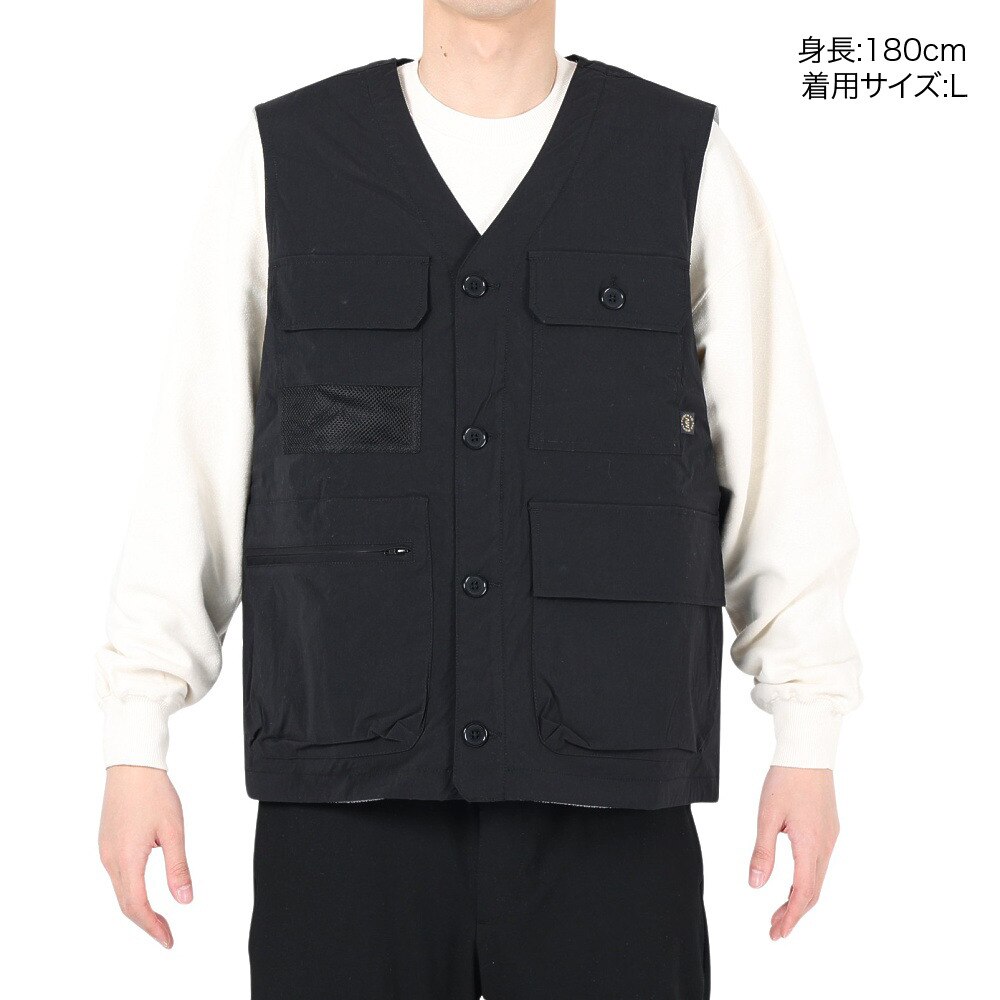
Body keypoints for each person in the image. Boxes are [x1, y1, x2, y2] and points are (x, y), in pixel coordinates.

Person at [96, 1, 861, 996]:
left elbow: (777, 459)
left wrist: (806, 737)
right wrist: (135, 741)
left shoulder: (683, 159)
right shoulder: (284, 158)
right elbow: (193, 461)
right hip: (344, 801)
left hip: (610, 808)